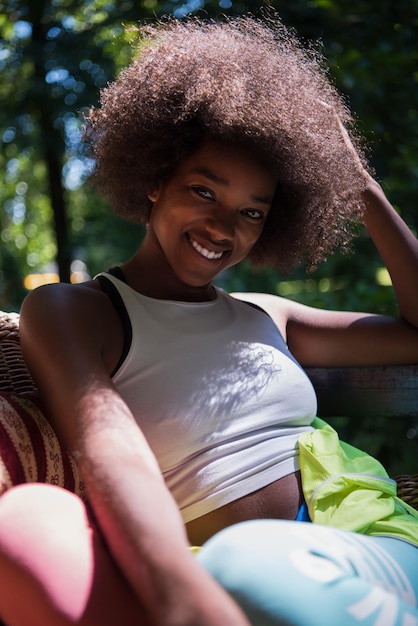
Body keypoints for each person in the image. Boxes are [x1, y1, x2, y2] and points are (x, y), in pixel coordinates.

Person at [0, 13, 417, 626]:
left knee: (247, 563)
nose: (223, 228)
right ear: (154, 179)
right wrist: (180, 595)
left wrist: (361, 188)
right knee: (32, 530)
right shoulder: (77, 310)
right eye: (203, 191)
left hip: (360, 546)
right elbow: (110, 450)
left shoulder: (269, 315)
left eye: (252, 212)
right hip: (202, 576)